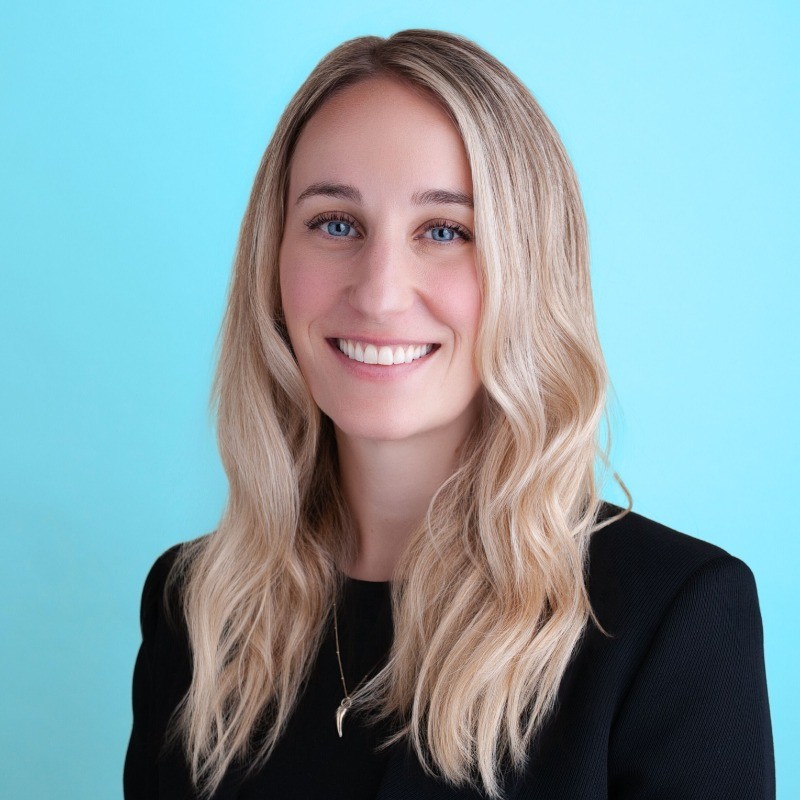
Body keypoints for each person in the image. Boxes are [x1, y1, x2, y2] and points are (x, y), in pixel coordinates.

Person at [123, 29, 775, 799]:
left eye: (445, 231)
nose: (380, 290)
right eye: (335, 222)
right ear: (272, 261)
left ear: (529, 271)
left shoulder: (672, 618)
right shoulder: (195, 607)